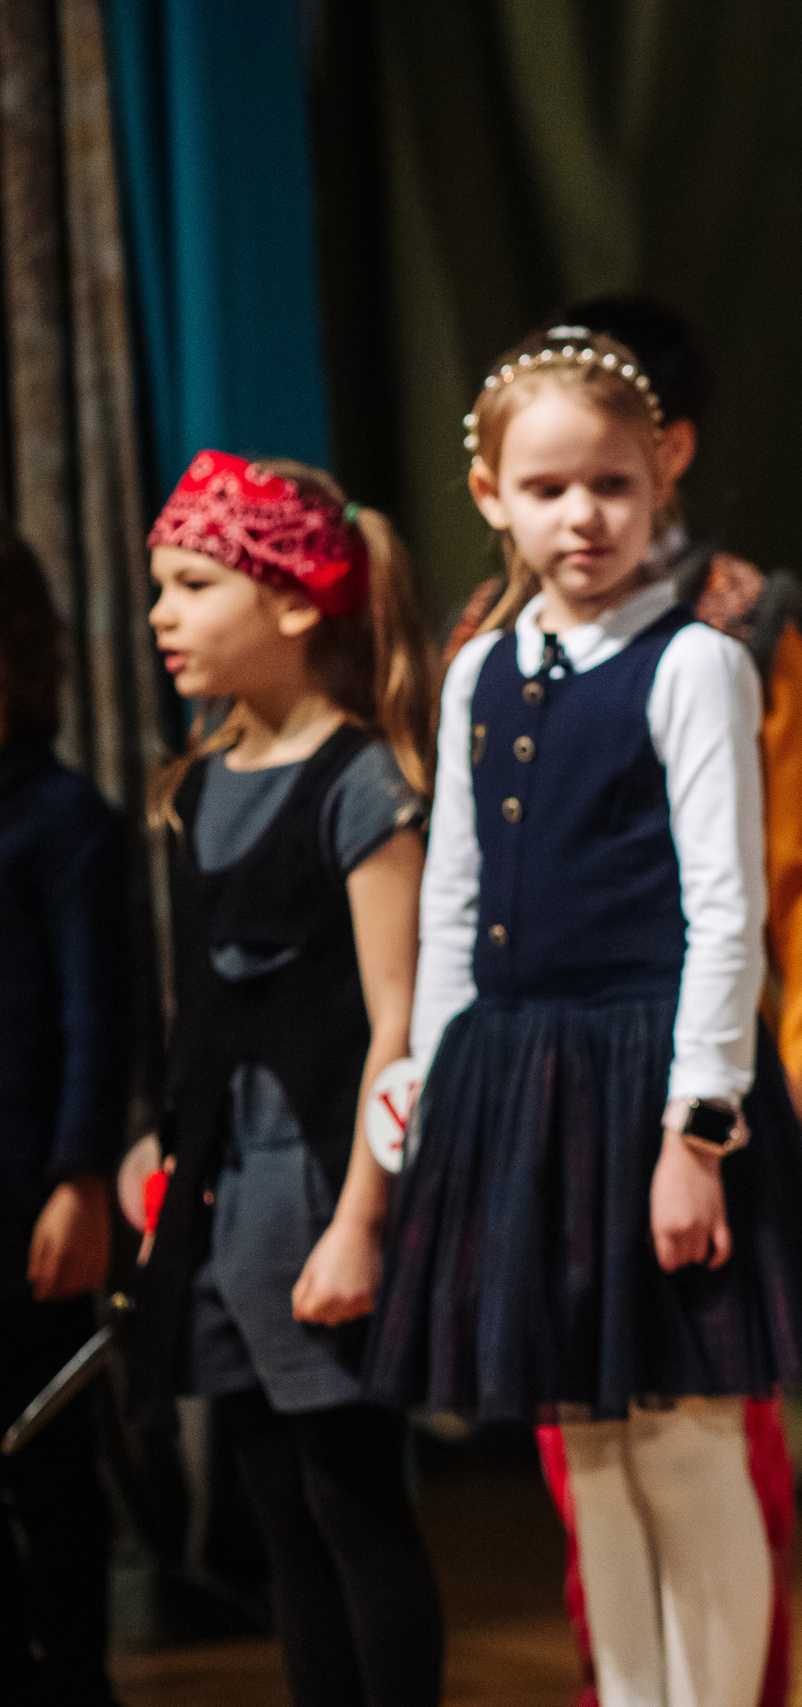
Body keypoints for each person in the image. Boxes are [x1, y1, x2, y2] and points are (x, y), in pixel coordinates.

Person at [366, 326, 802, 1707]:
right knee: (587, 1451)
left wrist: (696, 1132)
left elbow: (729, 913)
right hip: (521, 1083)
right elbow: (455, 900)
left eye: (613, 487)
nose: (582, 516)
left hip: (652, 1080)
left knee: (687, 1446)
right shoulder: (479, 672)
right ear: (490, 497)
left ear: (663, 482)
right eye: (547, 488)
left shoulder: (698, 663)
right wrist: (435, 1087)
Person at [127, 452, 445, 1707]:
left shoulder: (362, 785)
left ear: (299, 604)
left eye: (196, 584)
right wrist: (158, 1150)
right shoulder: (195, 784)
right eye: (160, 586)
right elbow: (200, 1010)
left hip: (321, 1186)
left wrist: (362, 1218)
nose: (163, 614)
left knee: (347, 1493)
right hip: (222, 1196)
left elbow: (395, 1019)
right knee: (274, 1502)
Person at [0, 528, 129, 1706]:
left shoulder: (63, 822)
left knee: (48, 1464)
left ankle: (79, 1681)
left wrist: (82, 1178)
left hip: (29, 1194)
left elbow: (101, 1021)